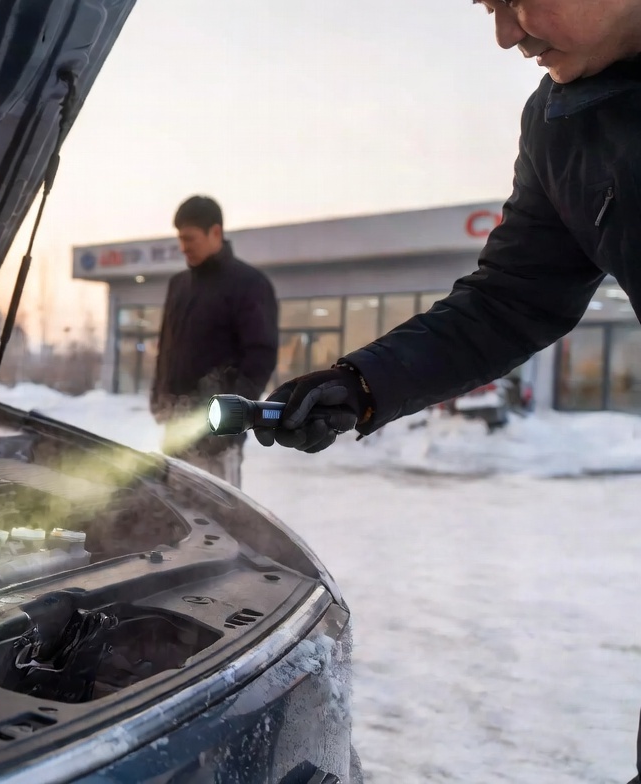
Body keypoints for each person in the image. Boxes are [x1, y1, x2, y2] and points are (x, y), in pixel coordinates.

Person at [254, 2, 641, 778]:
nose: (507, 32)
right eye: (490, 6)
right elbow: (511, 298)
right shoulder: (562, 121)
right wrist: (361, 383)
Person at [150, 196, 278, 486]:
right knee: (171, 515)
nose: (184, 247)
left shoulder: (249, 284)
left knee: (217, 519)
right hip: (175, 429)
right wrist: (158, 398)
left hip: (219, 439)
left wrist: (227, 421)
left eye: (190, 238)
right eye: (180, 239)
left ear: (216, 233)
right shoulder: (178, 285)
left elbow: (260, 358)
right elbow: (166, 349)